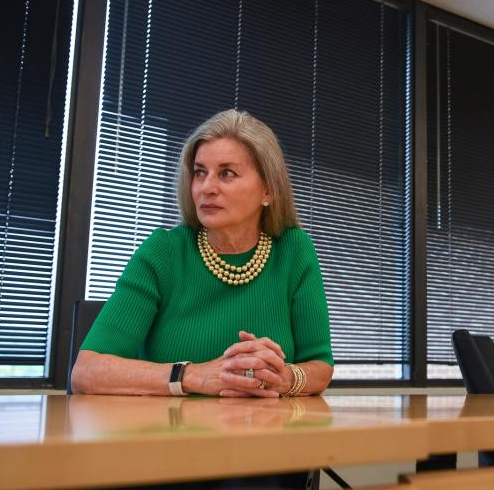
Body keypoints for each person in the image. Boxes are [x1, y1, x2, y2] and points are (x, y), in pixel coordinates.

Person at [71, 110, 333, 398]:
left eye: (227, 173)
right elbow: (87, 372)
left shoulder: (294, 251)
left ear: (268, 190)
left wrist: (287, 378)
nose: (207, 188)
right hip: (171, 435)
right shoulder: (164, 252)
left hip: (265, 433)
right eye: (199, 172)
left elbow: (320, 365)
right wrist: (192, 375)